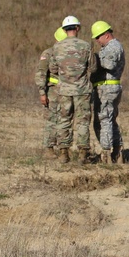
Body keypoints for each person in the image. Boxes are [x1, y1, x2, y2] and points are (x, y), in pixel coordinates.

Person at [51, 16, 96, 164]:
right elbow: (93, 68)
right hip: (82, 90)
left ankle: (64, 153)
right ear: (77, 28)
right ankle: (83, 155)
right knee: (83, 122)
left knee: (64, 120)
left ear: (64, 30)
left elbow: (52, 69)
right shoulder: (86, 46)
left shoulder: (57, 47)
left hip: (64, 90)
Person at [90, 20, 125, 164]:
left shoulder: (113, 47)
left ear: (106, 35)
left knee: (103, 121)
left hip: (107, 88)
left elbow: (109, 64)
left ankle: (107, 155)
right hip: (107, 87)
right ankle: (117, 152)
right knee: (110, 121)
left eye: (97, 37)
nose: (97, 41)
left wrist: (94, 59)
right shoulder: (111, 47)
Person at [35, 27, 67, 159]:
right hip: (52, 92)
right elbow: (41, 73)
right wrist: (42, 92)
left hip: (65, 91)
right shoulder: (48, 53)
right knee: (51, 120)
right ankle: (49, 148)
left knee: (64, 121)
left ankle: (63, 148)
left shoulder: (67, 54)